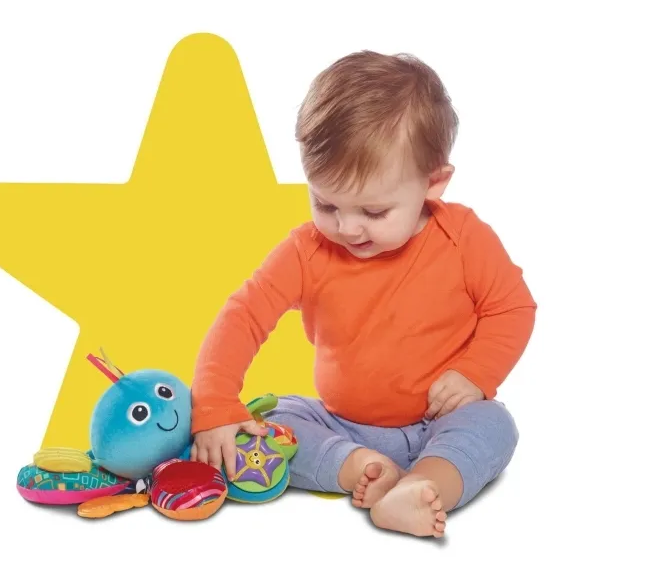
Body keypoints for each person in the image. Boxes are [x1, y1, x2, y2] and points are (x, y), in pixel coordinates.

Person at [188, 50, 536, 538]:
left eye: (373, 212)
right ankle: (361, 469)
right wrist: (215, 403)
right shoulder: (306, 250)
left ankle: (422, 487)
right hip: (341, 426)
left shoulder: (463, 238)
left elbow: (511, 307)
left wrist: (476, 373)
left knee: (494, 424)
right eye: (325, 203)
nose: (347, 228)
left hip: (440, 422)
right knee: (276, 417)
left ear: (433, 183)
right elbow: (244, 315)